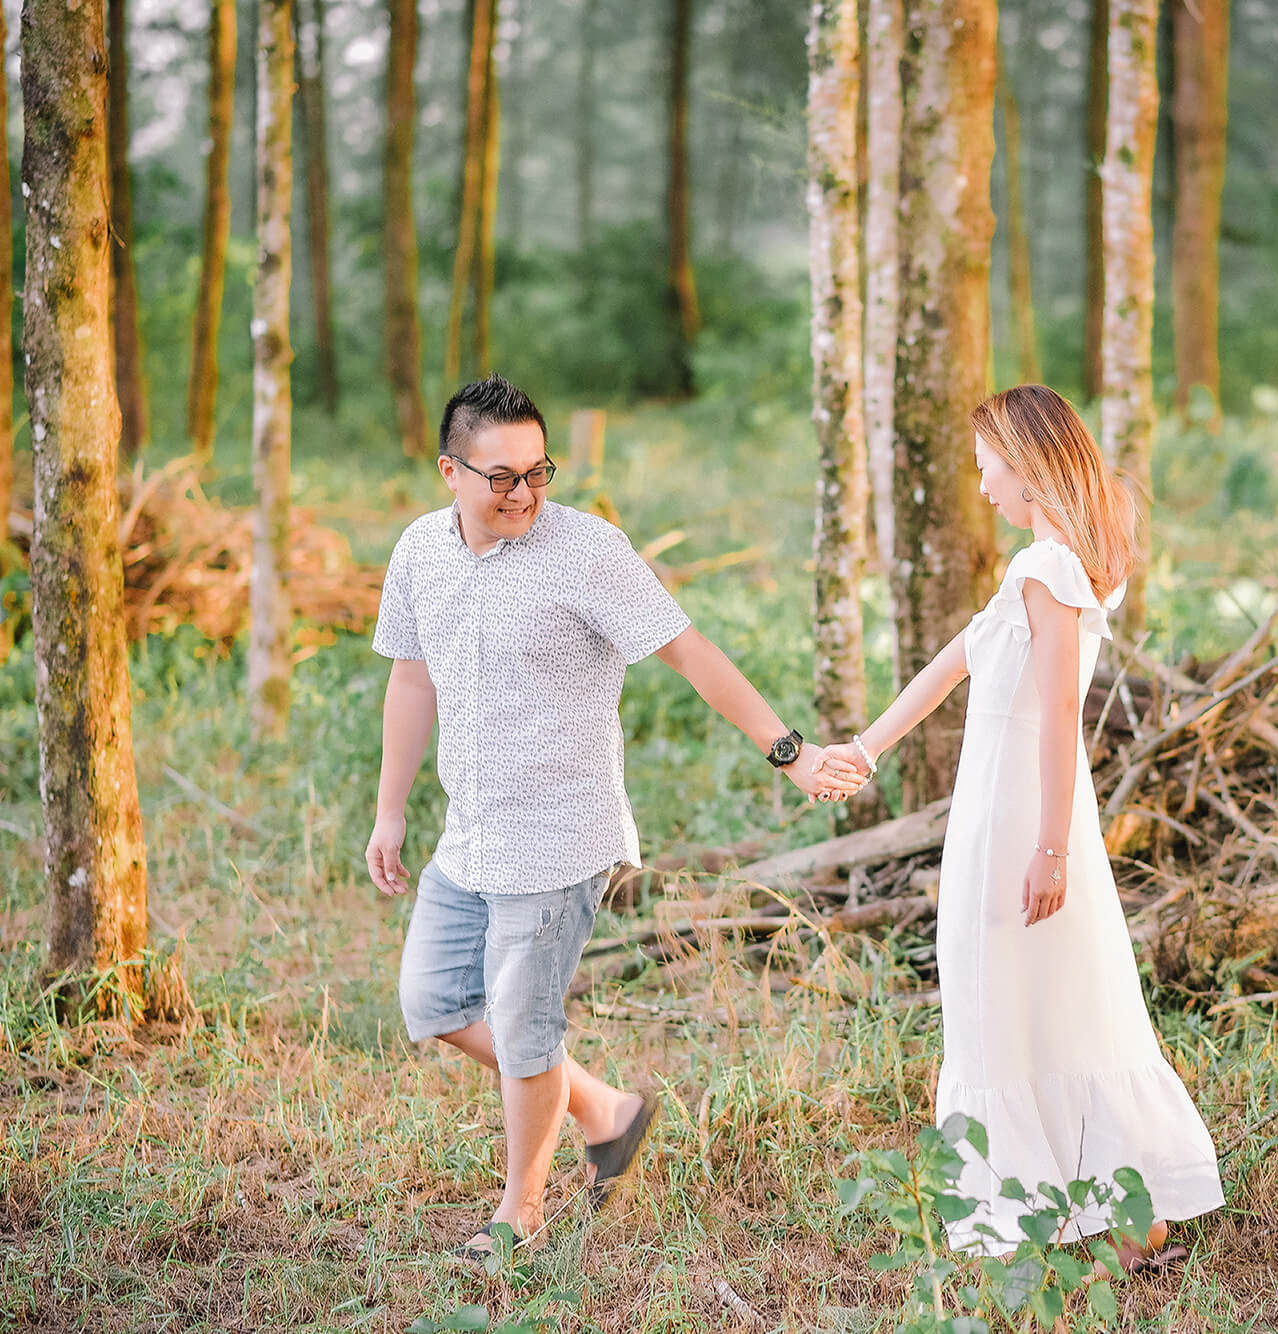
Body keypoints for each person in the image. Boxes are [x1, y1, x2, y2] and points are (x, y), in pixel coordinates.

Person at [365, 374, 864, 1259]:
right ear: (450, 470)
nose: (524, 493)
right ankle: (605, 1110)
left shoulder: (587, 551)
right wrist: (389, 813)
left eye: (538, 471)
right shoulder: (418, 553)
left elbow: (687, 649)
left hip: (562, 835)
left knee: (524, 1027)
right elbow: (411, 677)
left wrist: (787, 751)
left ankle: (519, 1211)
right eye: (501, 476)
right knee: (433, 1003)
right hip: (470, 833)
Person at [823, 384, 1224, 1263]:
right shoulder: (1054, 565)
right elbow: (960, 657)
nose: (981, 486)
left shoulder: (1043, 569)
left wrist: (1048, 848)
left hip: (1020, 817)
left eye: (986, 468)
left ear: (1026, 464)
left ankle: (1081, 1216)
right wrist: (867, 746)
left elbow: (1056, 720)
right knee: (1058, 1002)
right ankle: (1128, 1220)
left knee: (1005, 1000)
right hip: (1026, 810)